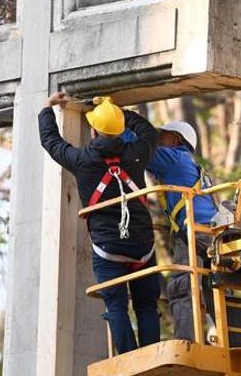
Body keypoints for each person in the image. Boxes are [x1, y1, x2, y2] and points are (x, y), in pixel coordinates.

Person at [38, 93, 160, 354]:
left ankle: (129, 359)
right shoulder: (137, 153)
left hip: (108, 248)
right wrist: (117, 111)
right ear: (119, 130)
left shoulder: (82, 160)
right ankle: (152, 357)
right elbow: (148, 132)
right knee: (147, 304)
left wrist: (47, 109)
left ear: (92, 130)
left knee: (116, 305)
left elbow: (51, 142)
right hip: (142, 245)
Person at [146, 121, 218, 341]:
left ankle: (185, 342)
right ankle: (233, 339)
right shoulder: (190, 163)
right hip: (213, 233)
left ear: (176, 140)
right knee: (218, 290)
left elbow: (141, 151)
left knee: (182, 287)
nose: (159, 141)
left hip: (193, 233)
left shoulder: (173, 158)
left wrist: (119, 125)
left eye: (163, 136)